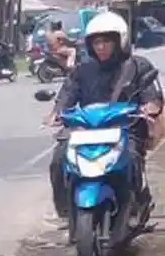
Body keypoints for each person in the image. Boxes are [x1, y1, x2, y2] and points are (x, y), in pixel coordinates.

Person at [44, 11, 163, 219]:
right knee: (59, 158)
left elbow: (151, 93)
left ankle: (135, 201)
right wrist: (56, 113)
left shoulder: (138, 66)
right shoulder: (83, 70)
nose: (101, 47)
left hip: (125, 128)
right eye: (96, 42)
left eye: (106, 41)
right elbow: (68, 93)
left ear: (120, 41)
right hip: (86, 130)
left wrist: (150, 106)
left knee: (132, 158)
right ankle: (65, 209)